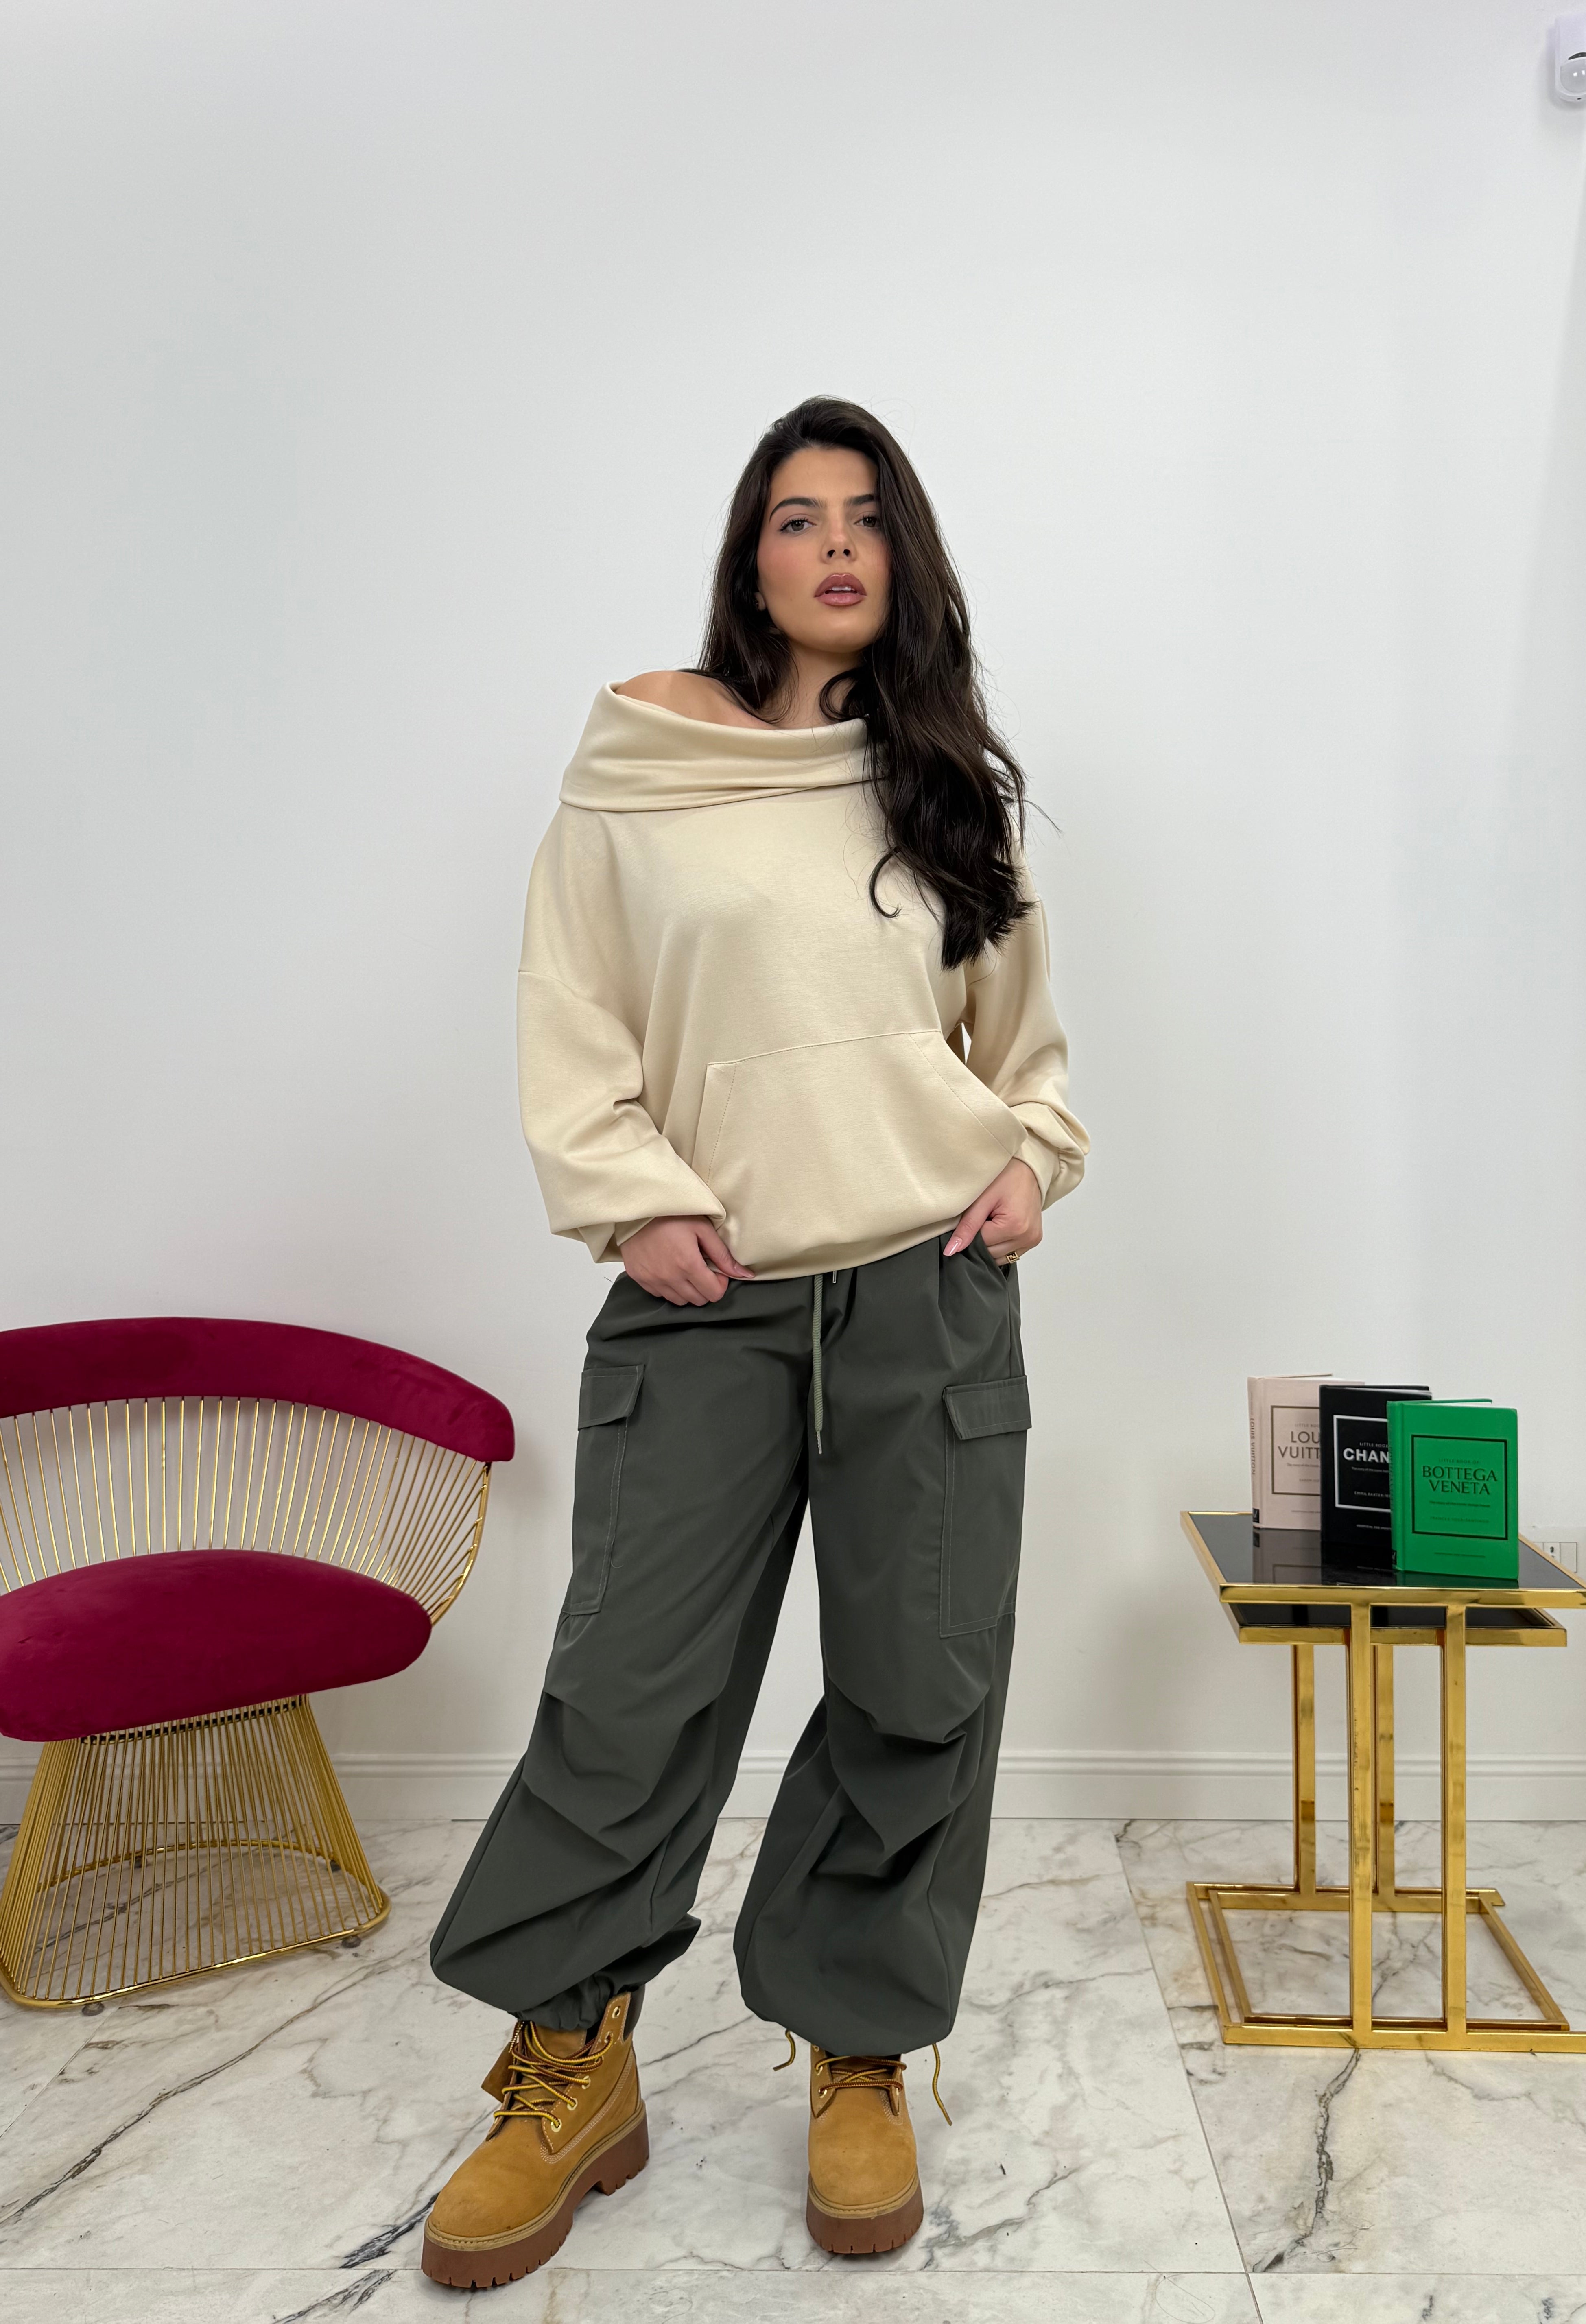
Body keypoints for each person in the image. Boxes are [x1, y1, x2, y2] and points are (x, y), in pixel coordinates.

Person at [420, 396, 1088, 2288]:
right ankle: (573, 2059)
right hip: (704, 1304)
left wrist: (1030, 1163)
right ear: (751, 556)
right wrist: (628, 1192)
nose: (837, 544)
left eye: (869, 515)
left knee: (916, 1685)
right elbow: (572, 1004)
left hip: (924, 1292)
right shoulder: (645, 755)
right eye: (799, 516)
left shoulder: (946, 782)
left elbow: (1024, 1051)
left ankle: (859, 2049)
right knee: (626, 1694)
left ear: (907, 554)